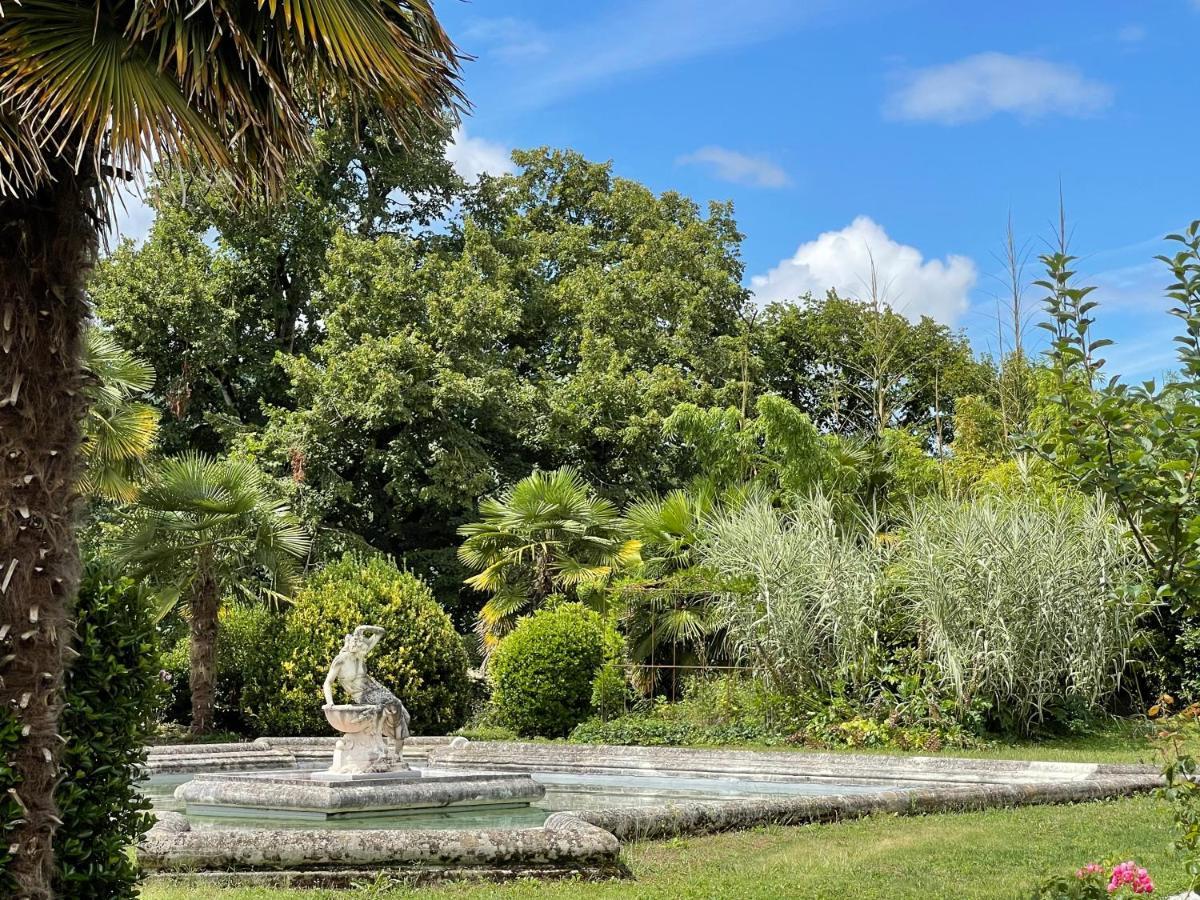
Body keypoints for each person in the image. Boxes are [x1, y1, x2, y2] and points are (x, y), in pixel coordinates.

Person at [323, 625, 411, 757]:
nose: (363, 650)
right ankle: (396, 753)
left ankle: (397, 755)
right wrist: (330, 702)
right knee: (394, 707)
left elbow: (381, 632)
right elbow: (327, 682)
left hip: (373, 686)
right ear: (351, 644)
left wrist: (362, 628)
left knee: (404, 714)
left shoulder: (360, 654)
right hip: (361, 694)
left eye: (361, 646)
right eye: (356, 644)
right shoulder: (341, 660)